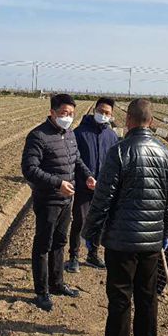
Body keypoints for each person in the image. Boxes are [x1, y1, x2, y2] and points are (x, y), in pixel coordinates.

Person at [80, 99, 168, 336]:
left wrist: (91, 233)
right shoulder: (167, 155)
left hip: (121, 241)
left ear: (129, 121)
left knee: (120, 298)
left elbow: (103, 198)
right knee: (147, 296)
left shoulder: (120, 152)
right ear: (151, 122)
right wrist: (164, 233)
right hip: (151, 242)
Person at [21, 93, 96, 312]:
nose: (68, 117)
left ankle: (57, 283)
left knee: (60, 241)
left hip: (66, 199)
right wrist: (57, 183)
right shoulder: (38, 136)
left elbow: (76, 159)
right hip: (48, 200)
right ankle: (42, 291)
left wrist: (88, 176)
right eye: (64, 113)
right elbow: (29, 169)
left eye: (71, 114)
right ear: (52, 112)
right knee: (43, 245)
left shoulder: (69, 133)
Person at [66, 97, 118, 273]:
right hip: (83, 186)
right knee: (79, 221)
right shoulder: (80, 133)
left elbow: (113, 162)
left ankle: (93, 254)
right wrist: (84, 178)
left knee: (99, 222)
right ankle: (73, 256)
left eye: (107, 113)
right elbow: (74, 159)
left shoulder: (112, 136)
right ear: (94, 110)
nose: (103, 115)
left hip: (102, 188)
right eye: (100, 111)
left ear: (111, 115)